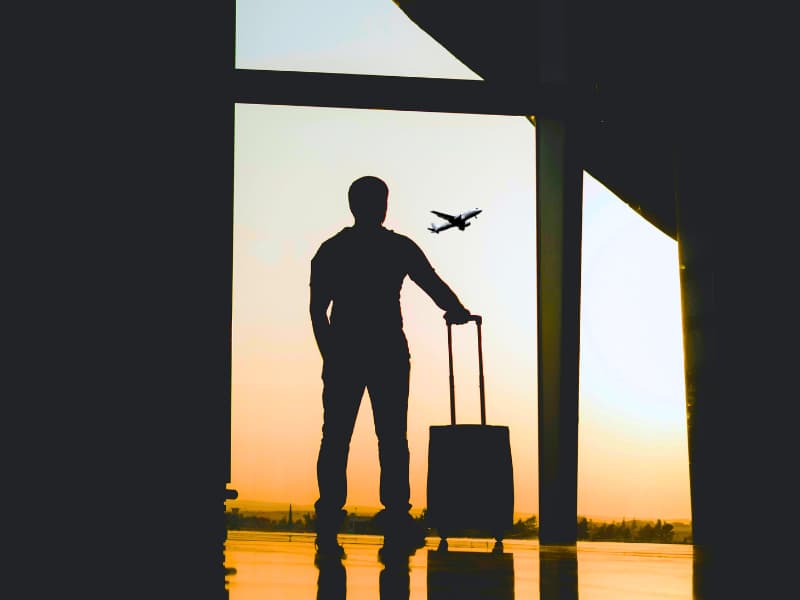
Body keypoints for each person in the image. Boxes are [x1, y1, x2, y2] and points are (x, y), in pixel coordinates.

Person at [309, 175, 472, 559]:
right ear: (382, 205)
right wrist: (457, 309)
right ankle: (397, 515)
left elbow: (318, 310)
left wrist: (330, 355)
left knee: (335, 439)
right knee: (393, 439)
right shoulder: (396, 247)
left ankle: (329, 517)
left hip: (345, 351)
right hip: (387, 352)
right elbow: (430, 282)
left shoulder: (332, 250)